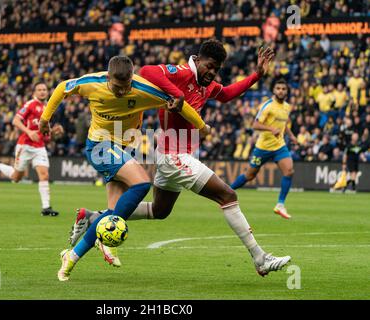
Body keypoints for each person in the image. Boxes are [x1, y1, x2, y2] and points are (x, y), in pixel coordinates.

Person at [70, 41, 292, 277]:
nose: (212, 73)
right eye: (209, 66)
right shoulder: (181, 73)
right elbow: (147, 71)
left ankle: (94, 218)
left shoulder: (204, 86)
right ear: (197, 60)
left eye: (216, 69)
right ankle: (260, 258)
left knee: (160, 210)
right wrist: (177, 95)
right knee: (227, 195)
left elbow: (226, 94)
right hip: (173, 156)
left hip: (175, 156)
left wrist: (257, 74)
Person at [39, 55, 210, 281]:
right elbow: (62, 88)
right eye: (117, 87)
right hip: (100, 146)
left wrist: (200, 126)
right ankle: (103, 239)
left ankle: (71, 256)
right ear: (108, 77)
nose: (122, 92)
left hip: (126, 147)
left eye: (126, 86)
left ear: (132, 77)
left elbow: (178, 102)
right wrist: (44, 119)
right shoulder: (92, 83)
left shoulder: (143, 89)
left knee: (113, 212)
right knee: (141, 184)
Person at [0, 82, 63, 217]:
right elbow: (16, 121)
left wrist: (54, 132)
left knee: (44, 174)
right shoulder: (30, 105)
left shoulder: (48, 108)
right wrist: (29, 132)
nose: (42, 92)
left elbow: (45, 135)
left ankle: (46, 208)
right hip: (25, 145)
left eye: (44, 89)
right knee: (16, 178)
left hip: (39, 146)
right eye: (39, 90)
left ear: (47, 92)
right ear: (34, 92)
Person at [230, 78, 298, 219]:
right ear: (274, 90)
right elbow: (255, 125)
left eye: (283, 89)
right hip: (263, 147)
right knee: (249, 175)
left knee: (289, 171)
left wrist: (291, 136)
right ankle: (227, 192)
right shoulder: (267, 106)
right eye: (278, 88)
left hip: (279, 146)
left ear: (287, 91)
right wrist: (270, 128)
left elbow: (284, 124)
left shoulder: (287, 107)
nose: (281, 91)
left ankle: (280, 205)